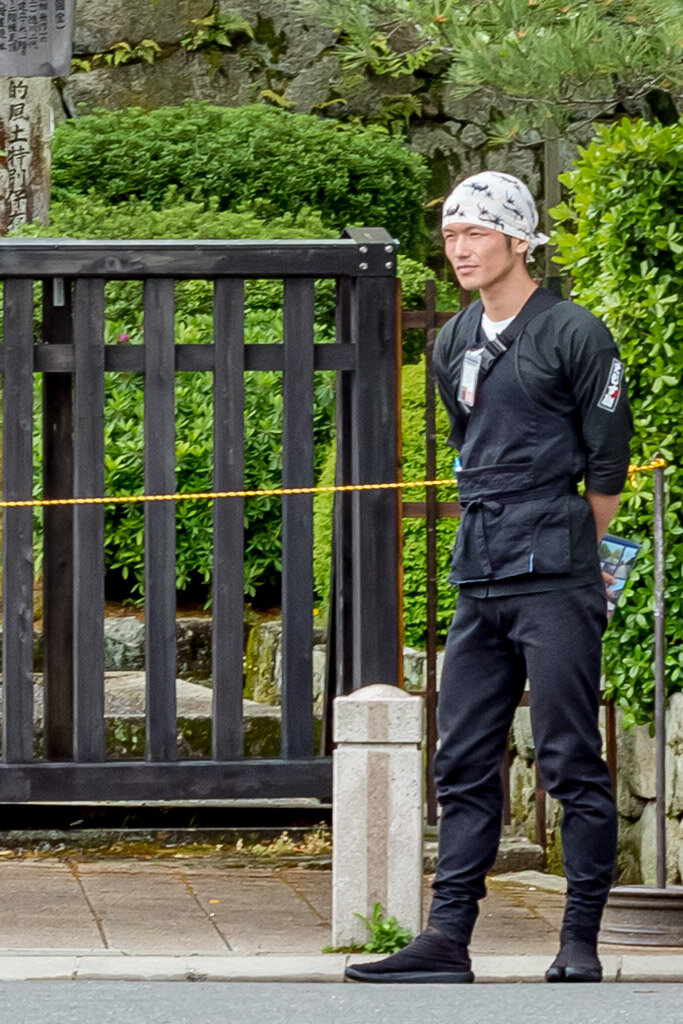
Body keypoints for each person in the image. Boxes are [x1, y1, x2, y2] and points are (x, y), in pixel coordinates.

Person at [346, 170, 634, 985]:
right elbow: (469, 439)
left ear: (518, 240)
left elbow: (606, 464)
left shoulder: (575, 333)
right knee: (462, 758)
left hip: (557, 573)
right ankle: (446, 939)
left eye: (475, 233)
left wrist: (575, 548)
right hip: (480, 570)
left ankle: (577, 939)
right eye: (449, 234)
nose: (460, 248)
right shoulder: (453, 340)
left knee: (569, 755)